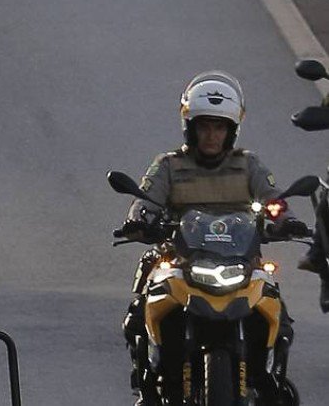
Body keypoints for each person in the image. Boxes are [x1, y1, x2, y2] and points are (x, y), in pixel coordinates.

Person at [117, 72, 307, 404]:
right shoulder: (169, 166)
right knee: (138, 308)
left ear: (231, 130)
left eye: (219, 127)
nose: (211, 135)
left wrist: (286, 221)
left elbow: (275, 200)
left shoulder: (248, 165)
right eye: (205, 126)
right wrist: (138, 220)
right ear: (190, 126)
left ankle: (268, 380)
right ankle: (148, 380)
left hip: (241, 262)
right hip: (180, 260)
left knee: (279, 312)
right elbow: (144, 201)